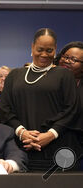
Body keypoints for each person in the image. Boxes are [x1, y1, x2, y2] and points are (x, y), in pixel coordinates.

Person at [0, 28, 82, 171]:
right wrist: (22, 132)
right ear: (32, 47)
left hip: (57, 148)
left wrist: (50, 135)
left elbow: (71, 109)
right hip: (21, 148)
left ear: (55, 50)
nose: (44, 54)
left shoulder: (64, 75)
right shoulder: (14, 75)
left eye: (49, 50)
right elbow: (5, 110)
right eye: (40, 49)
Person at [56, 41, 83, 170]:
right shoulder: (46, 81)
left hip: (78, 148)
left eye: (74, 59)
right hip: (48, 143)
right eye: (65, 57)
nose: (67, 61)